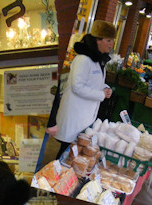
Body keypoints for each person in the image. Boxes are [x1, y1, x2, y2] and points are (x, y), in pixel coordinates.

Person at [49, 20, 116, 159]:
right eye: (109, 40)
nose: (111, 44)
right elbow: (77, 86)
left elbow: (94, 82)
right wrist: (100, 94)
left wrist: (105, 88)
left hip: (84, 115)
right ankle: (54, 177)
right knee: (66, 151)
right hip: (75, 114)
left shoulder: (98, 60)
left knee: (73, 152)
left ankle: (63, 178)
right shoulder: (83, 59)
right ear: (98, 40)